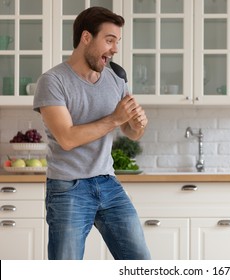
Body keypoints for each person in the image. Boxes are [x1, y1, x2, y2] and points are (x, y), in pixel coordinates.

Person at [33, 6, 151, 260]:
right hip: (68, 188)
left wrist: (138, 124)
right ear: (86, 37)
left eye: (117, 42)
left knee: (141, 264)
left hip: (108, 182)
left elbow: (131, 132)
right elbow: (67, 138)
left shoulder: (116, 80)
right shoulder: (53, 81)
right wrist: (115, 119)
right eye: (109, 40)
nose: (115, 49)